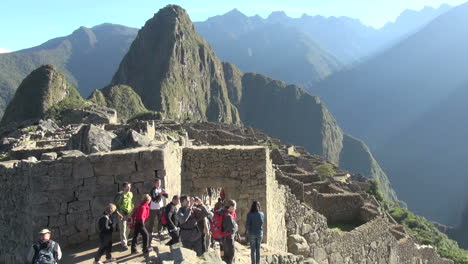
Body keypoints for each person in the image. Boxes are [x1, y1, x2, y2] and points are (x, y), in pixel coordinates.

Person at [114, 182, 134, 250]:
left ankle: (126, 240)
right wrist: (118, 214)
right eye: (127, 187)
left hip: (129, 213)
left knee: (128, 228)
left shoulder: (130, 194)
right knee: (123, 228)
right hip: (121, 214)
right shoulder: (120, 195)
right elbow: (114, 206)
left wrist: (132, 210)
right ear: (124, 187)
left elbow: (131, 203)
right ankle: (124, 244)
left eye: (130, 187)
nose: (129, 188)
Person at [221, 199, 238, 264]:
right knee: (230, 257)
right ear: (231, 207)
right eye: (235, 206)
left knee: (226, 257)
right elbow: (233, 229)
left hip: (224, 238)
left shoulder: (223, 213)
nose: (235, 208)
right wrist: (236, 226)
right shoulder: (228, 216)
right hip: (229, 240)